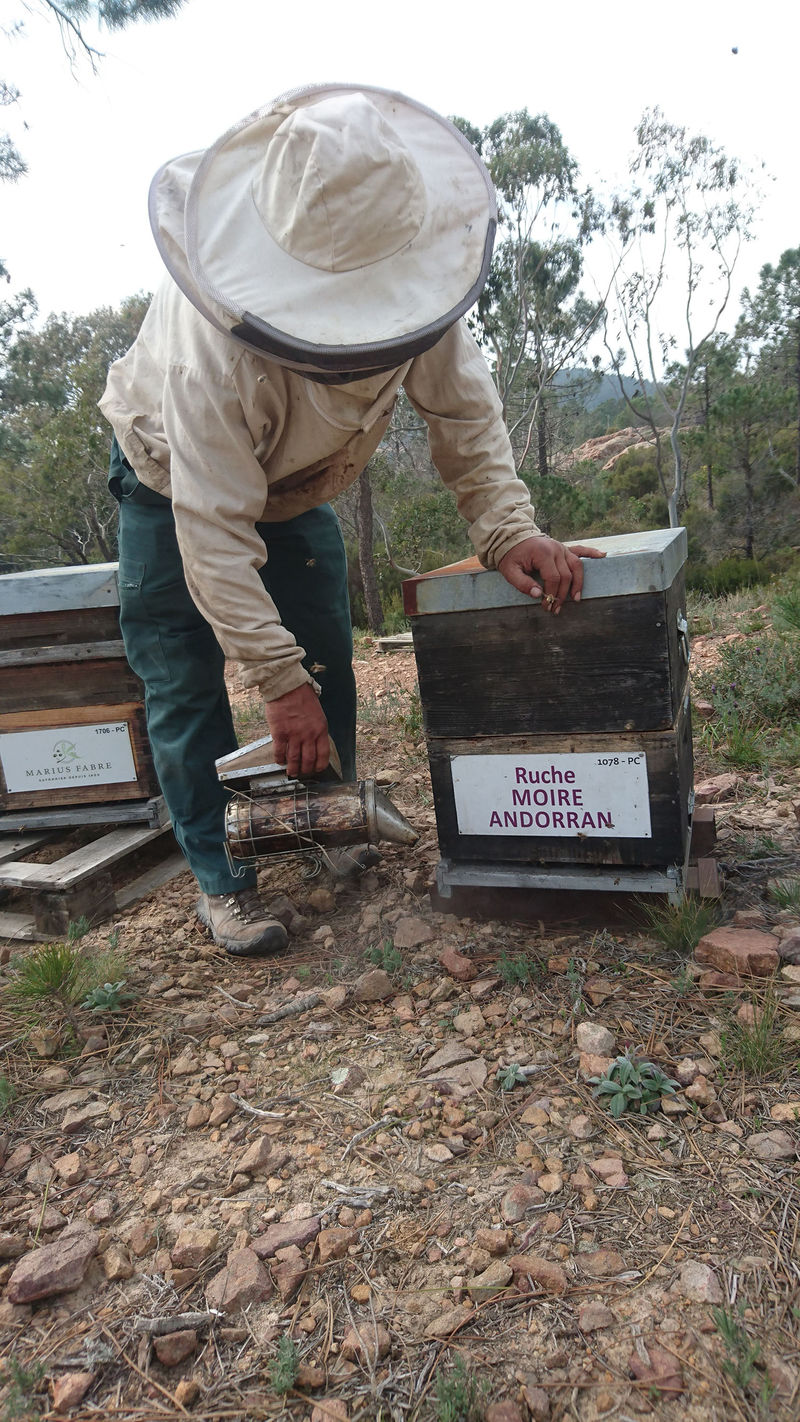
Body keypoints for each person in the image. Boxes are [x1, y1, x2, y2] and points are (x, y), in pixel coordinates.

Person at [100, 82, 603, 958]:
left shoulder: (418, 271)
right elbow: (213, 534)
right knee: (185, 687)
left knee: (327, 651)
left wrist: (506, 528)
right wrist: (274, 680)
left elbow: (464, 413)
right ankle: (224, 881)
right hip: (167, 485)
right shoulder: (209, 351)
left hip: (297, 488)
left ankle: (330, 825)